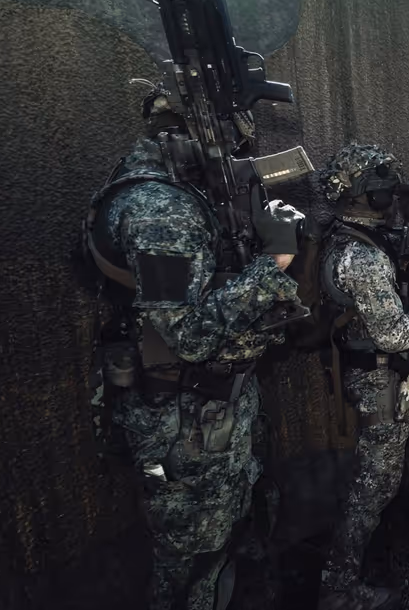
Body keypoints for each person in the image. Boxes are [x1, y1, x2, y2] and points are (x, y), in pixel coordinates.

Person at [83, 84, 306, 610]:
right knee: (192, 571)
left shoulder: (181, 198)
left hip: (212, 411)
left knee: (229, 544)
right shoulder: (162, 209)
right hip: (183, 423)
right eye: (232, 142)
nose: (238, 155)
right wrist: (273, 265)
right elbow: (188, 336)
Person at [316, 143, 409, 610]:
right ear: (363, 194)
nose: (393, 191)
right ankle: (337, 586)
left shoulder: (371, 239)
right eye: (384, 183)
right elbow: (395, 333)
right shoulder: (359, 256)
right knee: (375, 483)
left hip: (403, 375)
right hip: (381, 378)